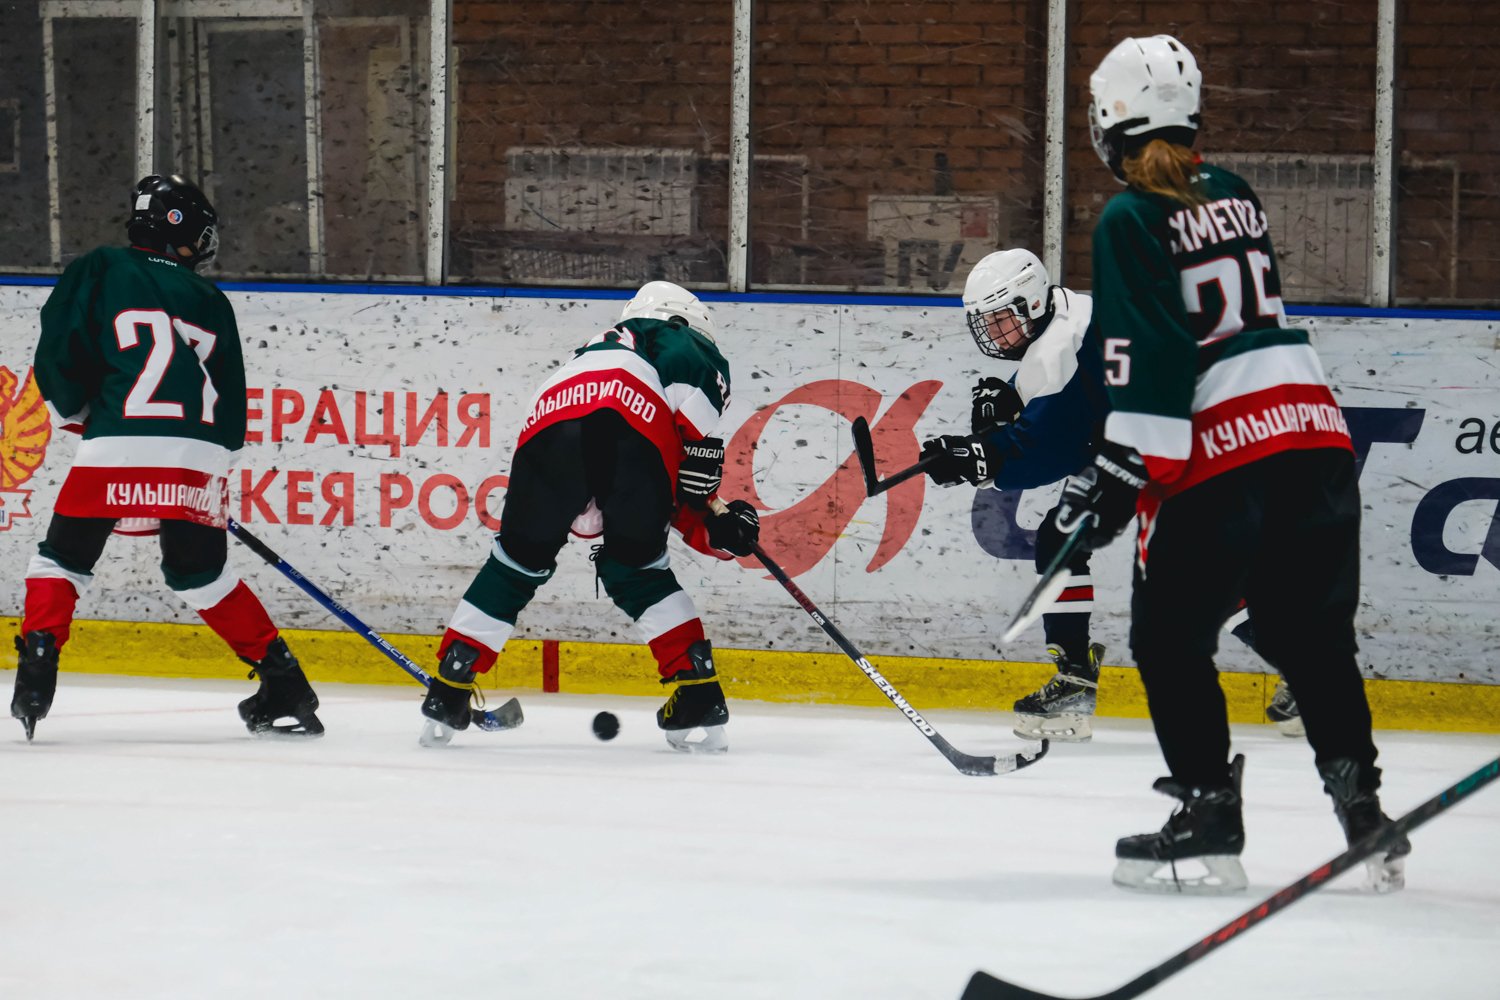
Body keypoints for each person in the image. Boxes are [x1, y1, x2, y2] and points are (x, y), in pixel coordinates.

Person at [1059, 34, 1408, 893]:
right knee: (1310, 635)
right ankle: (1363, 808)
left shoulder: (1128, 216)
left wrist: (1122, 475)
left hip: (1226, 449)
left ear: (1108, 121)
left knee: (1168, 637)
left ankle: (1208, 810)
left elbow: (1156, 350)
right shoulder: (1235, 192)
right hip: (1312, 432)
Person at [12, 174, 323, 740]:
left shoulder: (102, 266)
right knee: (200, 574)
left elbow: (60, 344)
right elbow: (230, 395)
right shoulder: (209, 298)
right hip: (198, 451)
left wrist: (76, 409)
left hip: (118, 439)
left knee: (62, 560)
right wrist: (211, 469)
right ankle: (285, 682)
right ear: (176, 227)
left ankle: (37, 669)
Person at [420, 281, 759, 753]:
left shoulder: (588, 354)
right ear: (685, 318)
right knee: (636, 569)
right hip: (632, 424)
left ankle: (450, 685)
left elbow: (646, 462)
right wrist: (717, 523)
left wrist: (710, 523)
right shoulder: (682, 340)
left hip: (548, 424)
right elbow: (682, 471)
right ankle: (699, 692)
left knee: (516, 561)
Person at [919, 248, 1111, 742]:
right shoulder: (1065, 312)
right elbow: (1056, 401)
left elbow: (1053, 450)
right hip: (1133, 438)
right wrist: (1009, 403)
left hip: (1178, 443)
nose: (992, 333)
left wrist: (979, 458)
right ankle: (1074, 678)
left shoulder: (1062, 344)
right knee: (1060, 540)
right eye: (984, 322)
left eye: (1000, 319)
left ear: (1031, 303)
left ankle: (1302, 671)